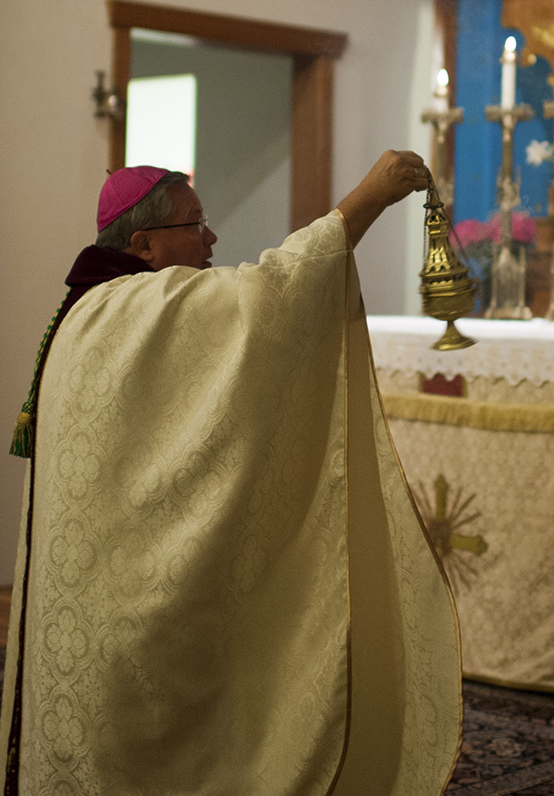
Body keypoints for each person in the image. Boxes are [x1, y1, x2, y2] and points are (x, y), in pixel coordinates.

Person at [1, 154, 462, 796]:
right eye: (197, 223)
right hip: (133, 614)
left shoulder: (82, 312)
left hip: (87, 604)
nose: (212, 237)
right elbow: (273, 293)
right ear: (143, 245)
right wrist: (368, 198)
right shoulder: (141, 303)